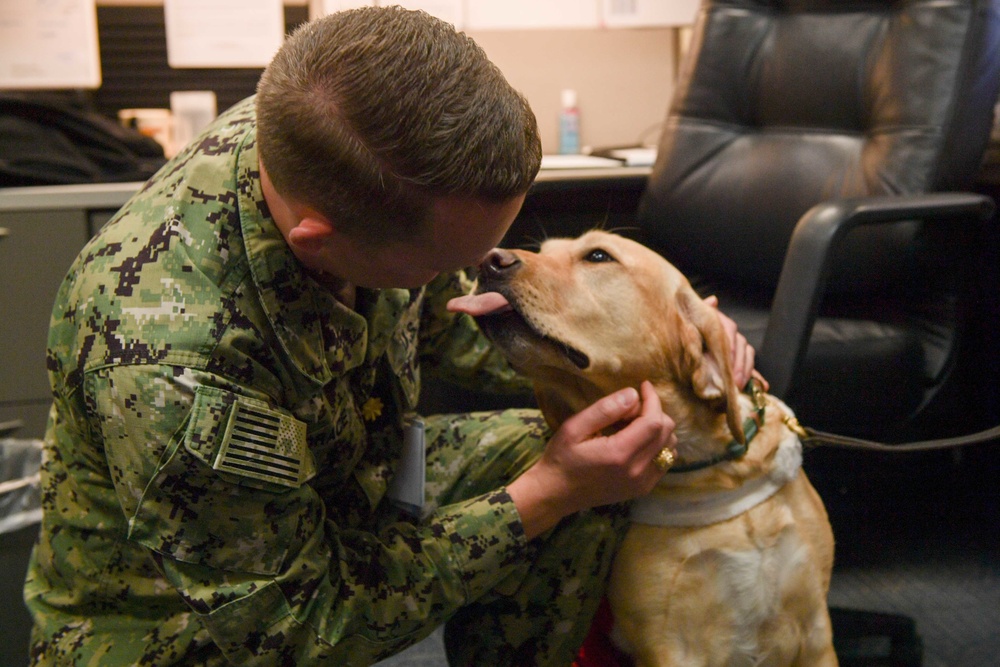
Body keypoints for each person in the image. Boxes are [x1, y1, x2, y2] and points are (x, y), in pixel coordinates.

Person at [24, 7, 757, 666]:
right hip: (186, 623)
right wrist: (543, 496)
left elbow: (453, 330)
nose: (477, 273)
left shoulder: (336, 131)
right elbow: (294, 626)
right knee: (566, 479)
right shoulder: (170, 361)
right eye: (447, 265)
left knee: (606, 451)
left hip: (351, 472)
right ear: (320, 242)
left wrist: (670, 343)